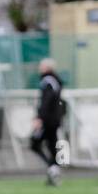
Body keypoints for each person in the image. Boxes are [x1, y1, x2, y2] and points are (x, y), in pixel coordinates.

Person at [30, 57, 65, 185]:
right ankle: (54, 169)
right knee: (52, 145)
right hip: (54, 120)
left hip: (47, 120)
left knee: (34, 143)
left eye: (41, 66)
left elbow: (46, 101)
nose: (40, 68)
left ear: (47, 68)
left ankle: (52, 168)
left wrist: (39, 118)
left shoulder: (47, 81)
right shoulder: (55, 81)